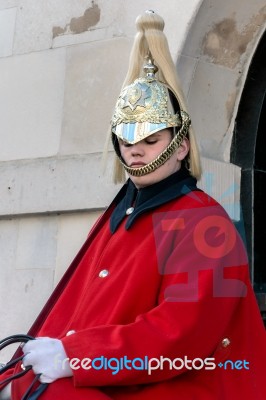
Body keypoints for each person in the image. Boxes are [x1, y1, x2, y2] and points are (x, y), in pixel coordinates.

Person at [1, 10, 265, 400]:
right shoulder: (121, 214)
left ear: (181, 146)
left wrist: (78, 357)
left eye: (151, 140)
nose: (136, 151)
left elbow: (183, 336)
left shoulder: (205, 222)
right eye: (126, 141)